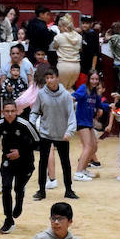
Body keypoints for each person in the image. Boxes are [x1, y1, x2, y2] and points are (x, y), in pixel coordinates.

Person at [0, 100, 39, 234]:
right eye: (7, 111)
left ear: (16, 111)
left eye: (12, 111)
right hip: (7, 161)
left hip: (25, 162)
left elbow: (38, 142)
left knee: (18, 188)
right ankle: (8, 219)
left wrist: (20, 152)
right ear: (2, 112)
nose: (10, 114)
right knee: (6, 187)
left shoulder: (24, 124)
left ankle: (19, 201)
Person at [32, 68, 79, 201]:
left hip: (62, 134)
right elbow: (35, 112)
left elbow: (71, 115)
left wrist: (69, 131)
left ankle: (69, 190)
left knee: (66, 163)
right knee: (42, 162)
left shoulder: (66, 96)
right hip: (46, 133)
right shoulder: (41, 94)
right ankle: (41, 191)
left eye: (51, 77)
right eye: (47, 78)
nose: (49, 80)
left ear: (57, 78)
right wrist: (32, 126)